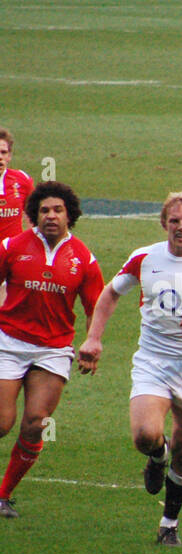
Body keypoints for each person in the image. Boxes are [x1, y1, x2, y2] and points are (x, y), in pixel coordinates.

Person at [78, 192, 182, 545]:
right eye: (174, 221)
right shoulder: (145, 257)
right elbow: (110, 294)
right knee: (144, 435)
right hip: (152, 359)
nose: (181, 227)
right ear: (164, 224)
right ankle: (156, 455)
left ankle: (169, 523)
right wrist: (94, 339)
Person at [0, 182, 104, 517]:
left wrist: (93, 341)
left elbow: (96, 307)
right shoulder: (12, 246)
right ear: (34, 214)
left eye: (58, 210)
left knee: (35, 422)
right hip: (8, 342)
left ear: (70, 215)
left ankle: (3, 496)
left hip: (53, 350)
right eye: (44, 210)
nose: (51, 216)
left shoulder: (84, 259)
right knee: (2, 422)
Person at [0, 128, 34, 244]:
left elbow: (33, 216)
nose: (0, 157)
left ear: (9, 156)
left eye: (3, 152)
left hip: (13, 254)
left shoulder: (22, 180)